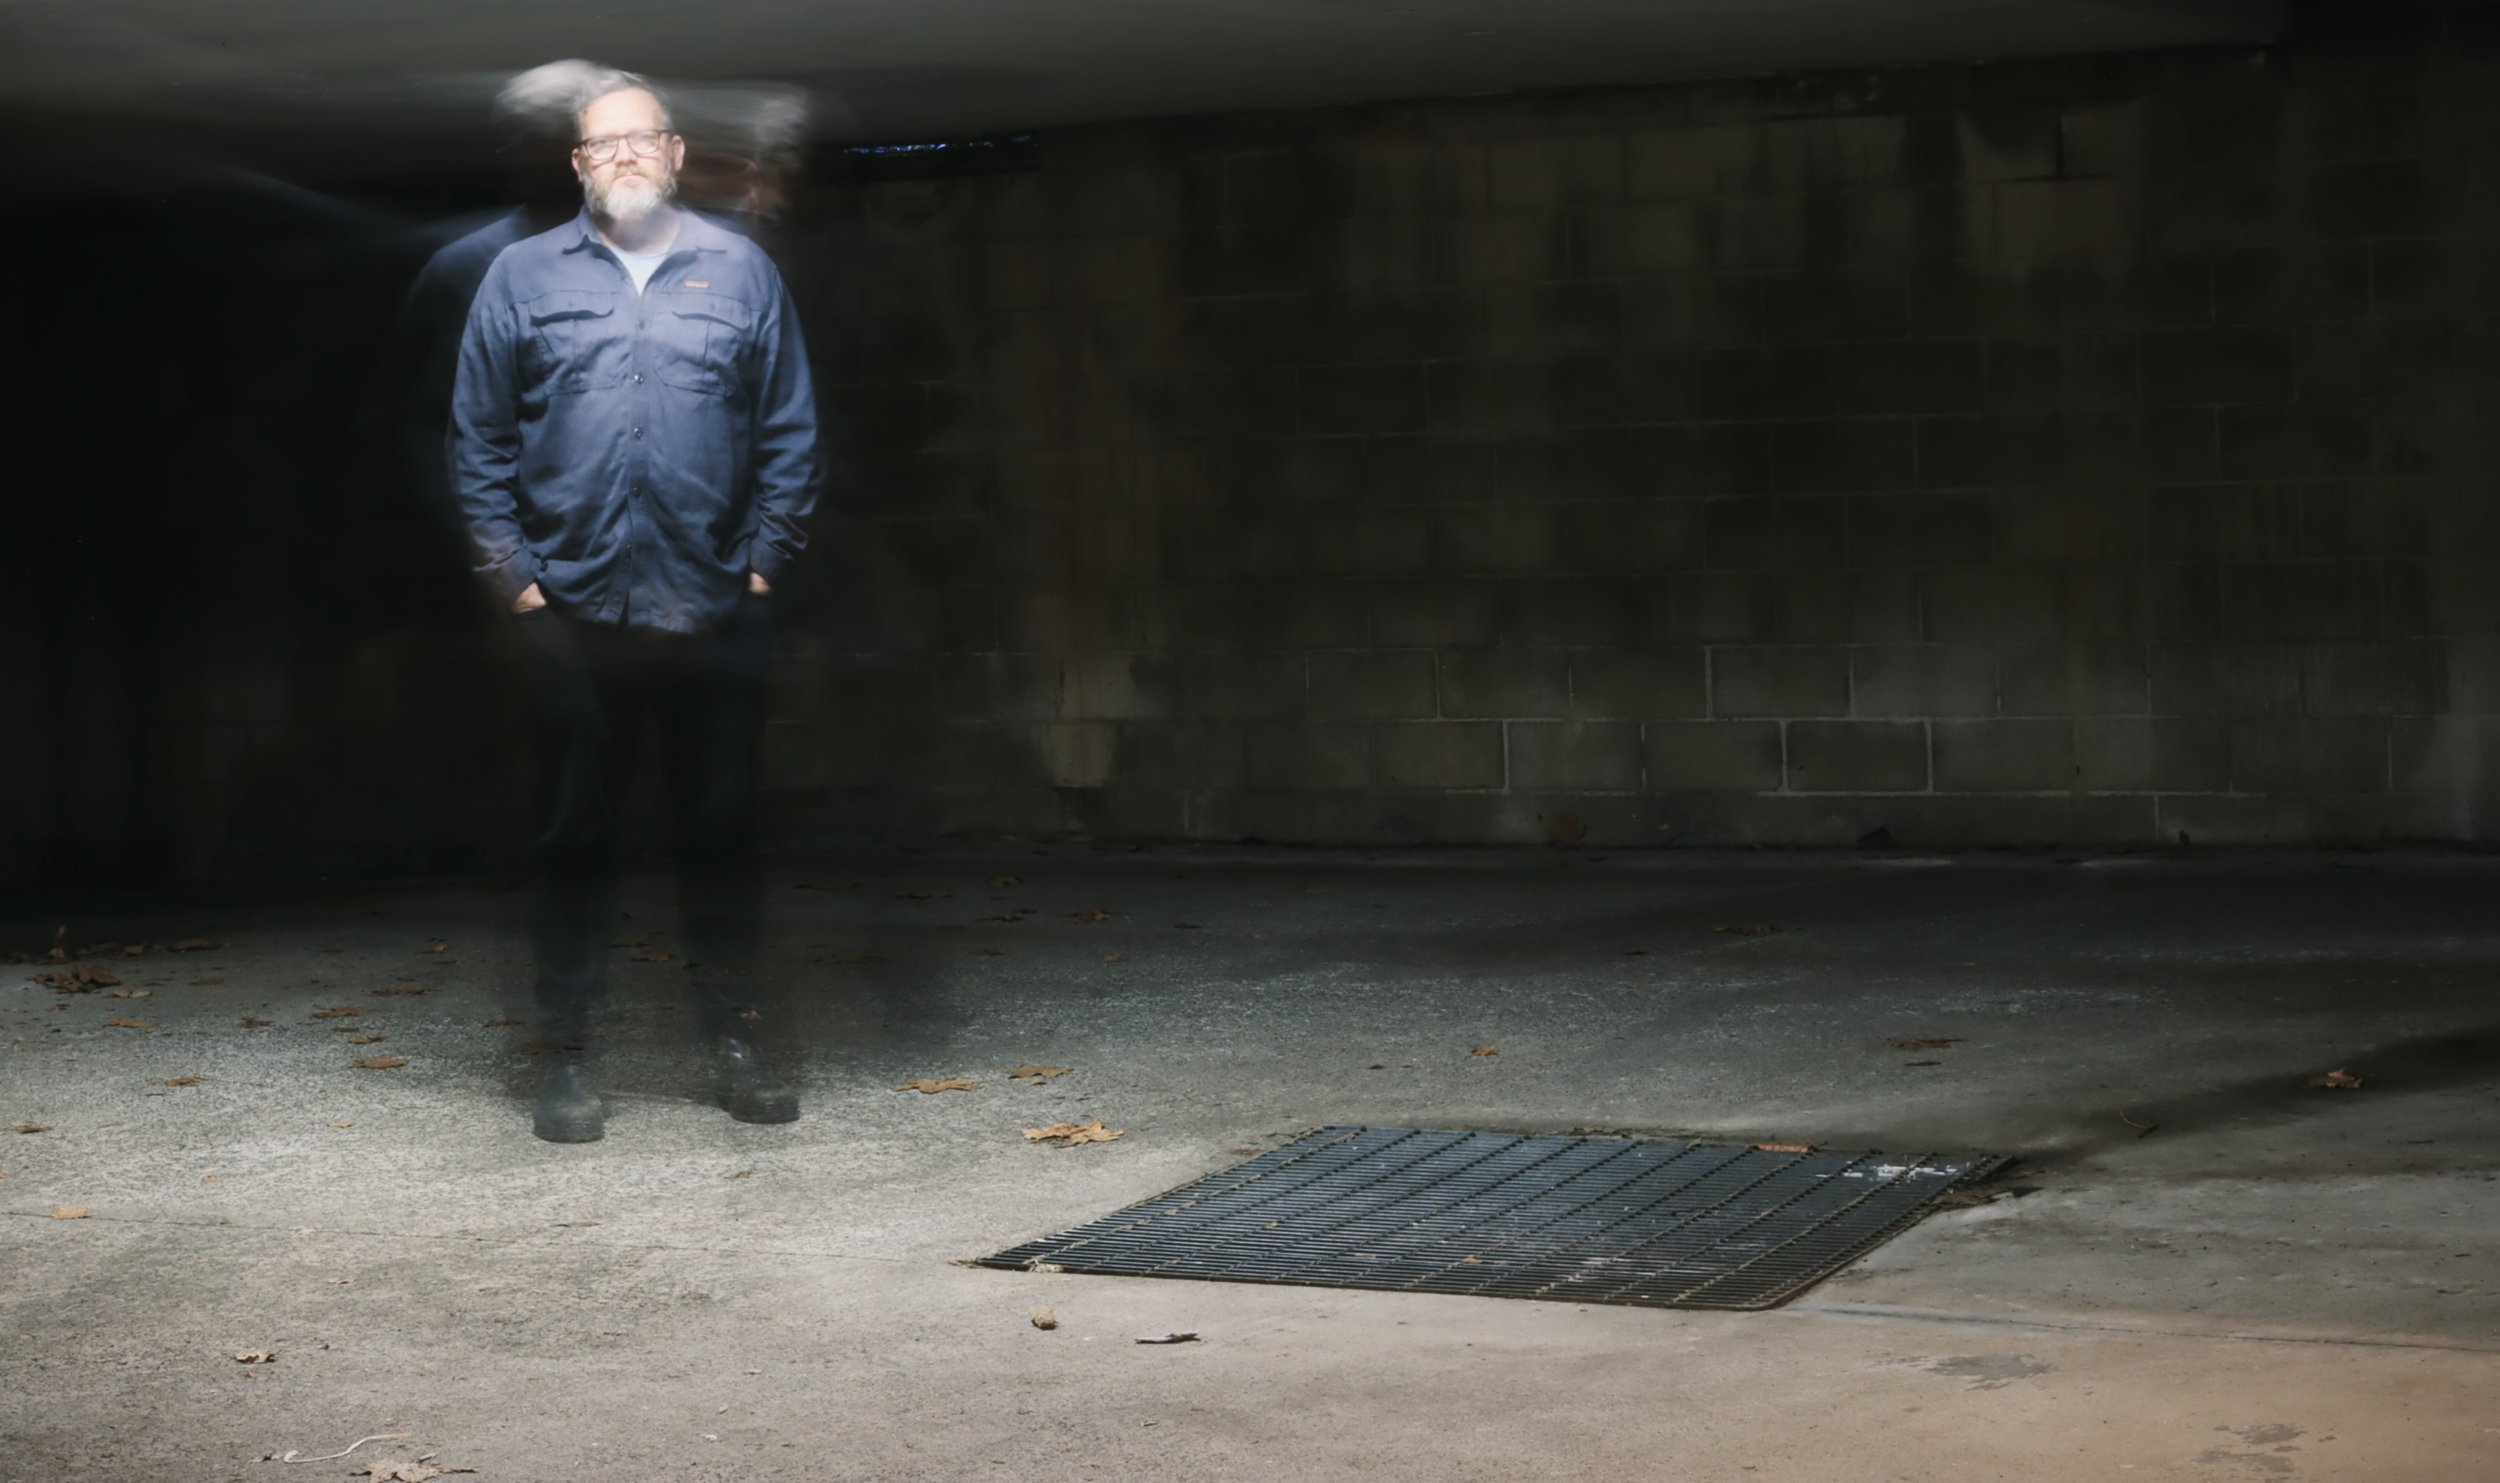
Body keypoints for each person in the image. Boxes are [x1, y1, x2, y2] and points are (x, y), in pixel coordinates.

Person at [447, 67, 824, 1142]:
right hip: (572, 617)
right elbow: (475, 443)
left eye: (638, 140)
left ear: (672, 154)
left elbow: (791, 431)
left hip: (713, 614)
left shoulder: (741, 272)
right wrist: (514, 580)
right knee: (575, 840)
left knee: (720, 832)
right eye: (599, 144)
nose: (620, 157)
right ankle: (565, 1057)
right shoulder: (520, 279)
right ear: (579, 163)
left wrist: (762, 564)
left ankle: (739, 1042)